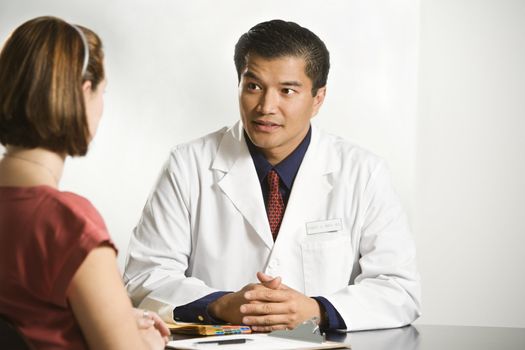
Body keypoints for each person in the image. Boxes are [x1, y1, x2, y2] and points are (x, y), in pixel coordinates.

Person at [124, 19, 421, 332]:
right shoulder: (188, 164)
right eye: (253, 86)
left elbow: (398, 288)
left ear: (318, 98)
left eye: (287, 91)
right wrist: (221, 304)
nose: (266, 106)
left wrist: (317, 309)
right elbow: (145, 276)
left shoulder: (363, 172)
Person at [0, 16, 170, 349]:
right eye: (102, 92)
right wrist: (147, 341)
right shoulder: (66, 223)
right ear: (82, 92)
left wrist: (114, 318)